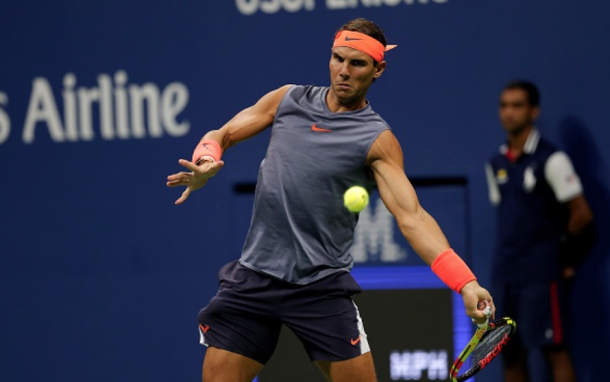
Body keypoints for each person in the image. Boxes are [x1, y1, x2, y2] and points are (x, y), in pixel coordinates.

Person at [168, 18, 493, 382]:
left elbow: (412, 218)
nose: (343, 71)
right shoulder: (288, 100)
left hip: (320, 288)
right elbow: (223, 133)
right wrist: (207, 160)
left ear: (378, 69)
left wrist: (464, 282)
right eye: (338, 58)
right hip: (254, 278)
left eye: (357, 64)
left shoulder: (377, 140)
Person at [485, 80, 595, 382]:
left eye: (517, 105)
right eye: (504, 105)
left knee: (553, 350)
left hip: (542, 275)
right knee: (510, 354)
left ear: (534, 111)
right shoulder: (495, 163)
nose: (509, 112)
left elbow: (582, 216)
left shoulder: (552, 159)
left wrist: (565, 258)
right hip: (506, 275)